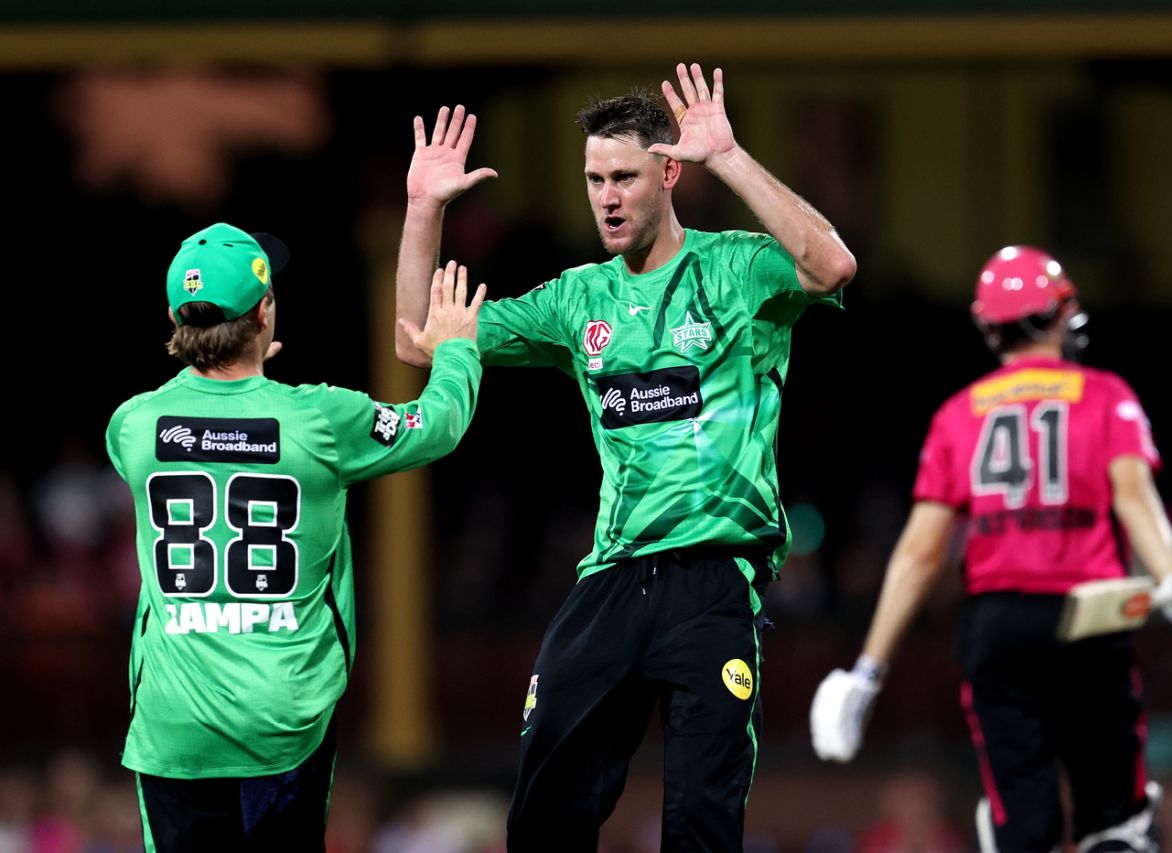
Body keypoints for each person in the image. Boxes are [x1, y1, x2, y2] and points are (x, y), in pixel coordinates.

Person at [394, 63, 857, 852]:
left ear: (670, 173)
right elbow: (417, 338)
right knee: (540, 815)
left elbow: (832, 265)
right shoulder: (578, 298)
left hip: (713, 579)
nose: (606, 196)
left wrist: (732, 157)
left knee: (701, 823)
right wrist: (422, 209)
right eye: (594, 179)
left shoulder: (739, 268)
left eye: (625, 178)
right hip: (612, 579)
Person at [809, 246, 1172, 853]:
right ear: (1058, 315)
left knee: (1021, 829)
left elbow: (920, 554)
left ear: (988, 325)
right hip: (1090, 619)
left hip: (998, 629)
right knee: (1115, 823)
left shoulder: (957, 416)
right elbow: (1137, 502)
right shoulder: (1106, 395)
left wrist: (866, 671)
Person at [106, 222, 485, 851]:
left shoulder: (133, 425)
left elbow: (198, 420)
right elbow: (437, 426)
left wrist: (235, 376)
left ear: (176, 316)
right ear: (263, 313)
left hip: (173, 727)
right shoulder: (320, 417)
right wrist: (457, 351)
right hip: (283, 719)